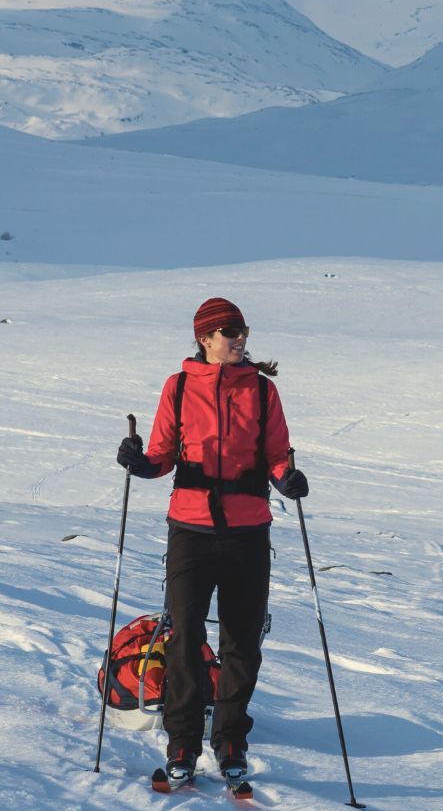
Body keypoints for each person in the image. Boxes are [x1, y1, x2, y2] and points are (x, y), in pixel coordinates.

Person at [116, 297, 310, 783]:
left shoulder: (263, 393)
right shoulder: (179, 387)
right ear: (205, 338)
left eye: (243, 330)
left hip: (248, 531)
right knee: (184, 637)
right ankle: (182, 743)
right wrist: (140, 464)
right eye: (231, 332)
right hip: (191, 529)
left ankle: (230, 741)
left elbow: (276, 453)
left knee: (243, 641)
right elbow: (161, 454)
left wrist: (287, 477)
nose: (240, 339)